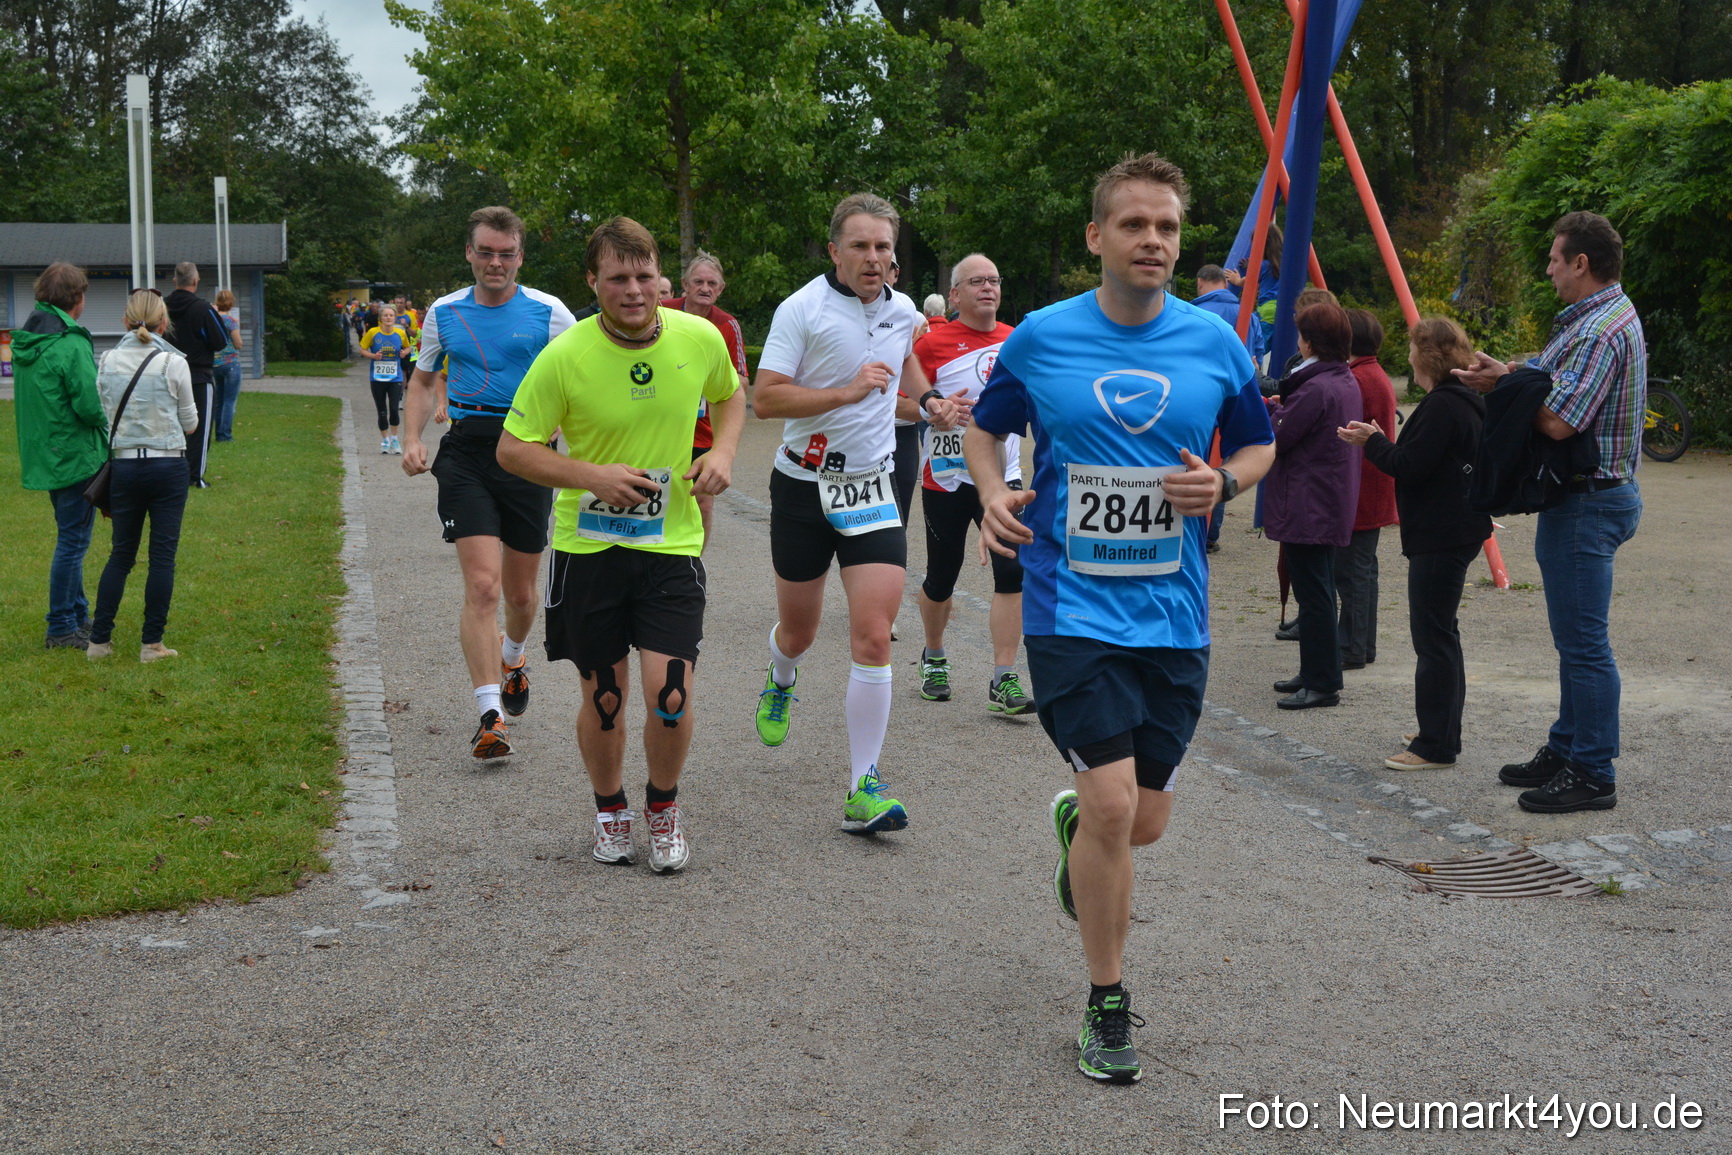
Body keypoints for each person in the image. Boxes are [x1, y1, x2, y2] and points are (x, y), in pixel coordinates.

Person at [965, 152, 1273, 1084]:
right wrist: (990, 490)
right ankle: (1107, 999)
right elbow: (987, 429)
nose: (1154, 240)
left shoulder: (1216, 343)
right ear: (1097, 237)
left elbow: (1259, 443)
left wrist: (1223, 481)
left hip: (1175, 616)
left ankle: (1081, 831)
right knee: (1111, 803)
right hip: (1070, 603)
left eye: (1169, 227)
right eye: (1135, 224)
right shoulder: (1042, 340)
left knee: (1141, 823)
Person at [498, 216, 744, 873]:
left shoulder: (698, 337)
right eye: (617, 278)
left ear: (661, 278)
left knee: (671, 695)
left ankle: (662, 808)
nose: (633, 290)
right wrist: (591, 475)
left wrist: (721, 450)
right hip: (590, 550)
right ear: (593, 281)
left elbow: (730, 396)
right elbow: (513, 448)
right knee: (605, 698)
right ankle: (611, 810)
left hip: (670, 544)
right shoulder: (565, 355)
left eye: (643, 277)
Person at [750, 191, 960, 834]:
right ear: (836, 249)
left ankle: (863, 786)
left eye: (884, 247)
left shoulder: (902, 313)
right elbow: (764, 398)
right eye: (861, 245)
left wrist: (928, 406)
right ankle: (782, 673)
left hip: (871, 488)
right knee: (801, 631)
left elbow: (906, 376)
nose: (873, 258)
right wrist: (847, 391)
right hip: (803, 487)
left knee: (873, 634)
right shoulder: (801, 309)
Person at [1452, 211, 1645, 813]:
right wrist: (1509, 372)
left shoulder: (1598, 331)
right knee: (1574, 641)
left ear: (1581, 263)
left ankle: (1592, 771)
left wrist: (1502, 387)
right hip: (1590, 497)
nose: (1549, 267)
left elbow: (1561, 419)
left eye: (1556, 258)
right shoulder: (1604, 316)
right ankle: (1568, 746)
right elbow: (1554, 381)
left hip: (1588, 503)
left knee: (1585, 644)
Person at [401, 205, 577, 759]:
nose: (495, 262)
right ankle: (489, 715)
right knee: (483, 587)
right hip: (467, 454)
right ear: (470, 253)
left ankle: (514, 654)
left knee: (522, 595)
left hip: (527, 454)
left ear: (520, 256)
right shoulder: (443, 312)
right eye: (485, 252)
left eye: (506, 253)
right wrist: (411, 438)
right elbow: (423, 380)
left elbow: (584, 378)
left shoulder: (550, 314)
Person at [1340, 318, 1488, 770]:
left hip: (1442, 533)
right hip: (1455, 528)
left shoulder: (1444, 404)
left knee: (1433, 637)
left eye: (1411, 349)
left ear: (1426, 357)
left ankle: (1435, 745)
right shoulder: (1462, 398)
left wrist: (1373, 441)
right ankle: (1442, 727)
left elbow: (1410, 464)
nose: (1406, 356)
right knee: (1442, 632)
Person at [909, 252, 1033, 715]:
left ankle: (1004, 677)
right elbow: (897, 402)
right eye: (976, 281)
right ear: (955, 295)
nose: (988, 288)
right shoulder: (931, 344)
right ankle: (934, 654)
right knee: (942, 575)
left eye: (994, 280)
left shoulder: (1019, 341)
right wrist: (930, 410)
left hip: (1005, 477)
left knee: (1012, 571)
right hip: (946, 478)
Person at [86, 289, 198, 663]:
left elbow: (104, 415)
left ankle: (98, 642)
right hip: (167, 465)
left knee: (121, 555)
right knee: (162, 557)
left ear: (124, 321)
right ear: (164, 323)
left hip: (125, 466)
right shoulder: (172, 363)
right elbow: (191, 423)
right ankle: (152, 644)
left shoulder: (107, 360)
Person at [1263, 303, 1362, 709]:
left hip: (1310, 501)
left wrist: (1270, 411)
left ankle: (1322, 681)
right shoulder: (1340, 379)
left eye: (1302, 334)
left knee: (1315, 593)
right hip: (1324, 497)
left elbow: (1281, 437)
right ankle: (1316, 670)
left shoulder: (1317, 387)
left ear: (1310, 342)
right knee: (1317, 589)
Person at [13, 262, 106, 650]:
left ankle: (78, 614)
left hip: (48, 454)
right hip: (74, 455)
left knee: (71, 536)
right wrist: (109, 422)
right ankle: (61, 627)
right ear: (78, 299)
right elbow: (88, 404)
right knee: (72, 542)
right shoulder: (70, 343)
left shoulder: (28, 340)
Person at [664, 250, 750, 546]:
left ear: (721, 289)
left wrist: (696, 380)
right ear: (685, 285)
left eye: (712, 283)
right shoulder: (662, 311)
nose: (705, 288)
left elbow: (741, 381)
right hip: (660, 424)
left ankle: (692, 564)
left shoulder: (727, 325)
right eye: (698, 281)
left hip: (703, 433)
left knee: (702, 502)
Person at [1335, 309, 1398, 669]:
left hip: (1362, 487)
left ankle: (1353, 647)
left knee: (1353, 572)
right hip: (1372, 485)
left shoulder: (1358, 378)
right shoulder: (1372, 373)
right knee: (1362, 570)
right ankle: (1362, 643)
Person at [1191, 264, 1268, 553]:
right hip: (1239, 394)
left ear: (1201, 283)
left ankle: (1198, 529)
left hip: (1203, 397)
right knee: (1224, 466)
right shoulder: (1249, 314)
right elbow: (1256, 359)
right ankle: (1213, 533)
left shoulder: (1195, 316)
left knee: (1198, 461)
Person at [163, 262, 229, 488]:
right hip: (197, 375)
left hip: (166, 373)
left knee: (171, 424)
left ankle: (170, 471)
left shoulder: (161, 307)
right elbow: (220, 340)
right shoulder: (203, 309)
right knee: (199, 428)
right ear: (195, 281)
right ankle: (194, 477)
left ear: (175, 281)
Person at [362, 305, 410, 454]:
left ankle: (395, 439)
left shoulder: (400, 333)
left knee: (394, 409)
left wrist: (404, 353)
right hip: (377, 378)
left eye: (391, 315)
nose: (389, 318)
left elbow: (408, 348)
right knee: (382, 411)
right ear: (380, 319)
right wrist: (373, 356)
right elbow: (362, 349)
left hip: (395, 378)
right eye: (386, 316)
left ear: (395, 318)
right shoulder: (373, 332)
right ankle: (385, 440)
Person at [211, 288, 244, 442]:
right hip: (231, 364)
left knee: (219, 401)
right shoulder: (231, 321)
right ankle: (225, 435)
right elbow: (238, 343)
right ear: (231, 303)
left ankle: (218, 432)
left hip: (216, 364)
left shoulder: (212, 320)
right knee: (229, 401)